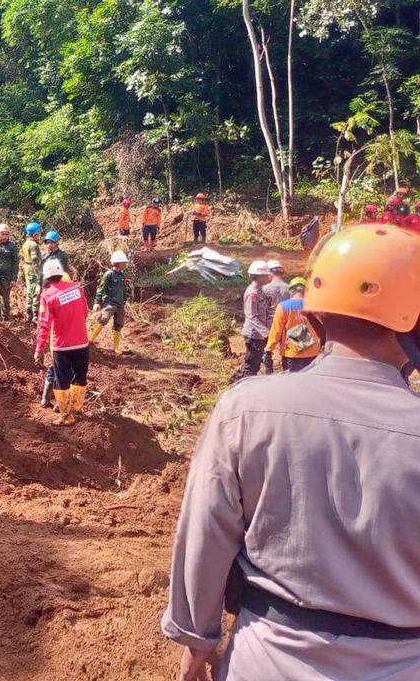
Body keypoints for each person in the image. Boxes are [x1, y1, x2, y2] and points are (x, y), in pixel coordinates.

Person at [161, 221, 420, 681]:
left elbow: (206, 533)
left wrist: (196, 638)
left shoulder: (247, 408)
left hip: (267, 659)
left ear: (317, 311)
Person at [34, 258, 90, 426]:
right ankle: (77, 410)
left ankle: (67, 416)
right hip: (82, 343)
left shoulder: (48, 295)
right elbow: (85, 312)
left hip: (62, 346)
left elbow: (44, 324)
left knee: (62, 379)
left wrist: (39, 348)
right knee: (80, 376)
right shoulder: (78, 288)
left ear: (47, 277)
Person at [264, 276, 321, 372]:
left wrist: (269, 349)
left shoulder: (283, 306)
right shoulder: (315, 306)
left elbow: (276, 331)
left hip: (292, 352)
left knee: (292, 383)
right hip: (312, 351)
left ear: (291, 292)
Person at [233, 260, 275, 381]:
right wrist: (265, 332)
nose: (268, 277)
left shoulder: (262, 291)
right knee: (252, 364)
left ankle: (234, 380)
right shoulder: (253, 293)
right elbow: (251, 316)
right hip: (254, 334)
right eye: (266, 275)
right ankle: (242, 384)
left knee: (253, 361)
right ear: (259, 277)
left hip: (260, 334)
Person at [89, 251, 129, 353]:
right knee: (103, 319)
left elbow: (123, 289)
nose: (125, 264)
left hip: (120, 304)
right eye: (123, 262)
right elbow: (101, 288)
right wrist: (97, 302)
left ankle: (116, 347)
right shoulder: (108, 275)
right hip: (110, 303)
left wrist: (125, 300)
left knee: (119, 324)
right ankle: (90, 341)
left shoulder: (122, 275)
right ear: (118, 263)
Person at [21, 223, 43, 322]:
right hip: (33, 269)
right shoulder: (34, 245)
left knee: (30, 291)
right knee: (35, 292)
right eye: (38, 234)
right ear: (35, 234)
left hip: (27, 268)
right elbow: (35, 259)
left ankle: (28, 313)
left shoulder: (26, 243)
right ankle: (35, 315)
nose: (40, 236)